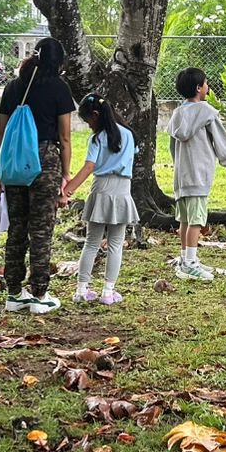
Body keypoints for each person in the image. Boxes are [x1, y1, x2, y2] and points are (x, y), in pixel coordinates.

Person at [0, 38, 76, 314]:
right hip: (44, 160)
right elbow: (64, 137)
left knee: (17, 227)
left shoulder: (13, 87)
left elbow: (3, 134)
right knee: (41, 229)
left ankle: (14, 293)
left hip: (14, 162)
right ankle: (40, 294)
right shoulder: (59, 89)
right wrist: (65, 174)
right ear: (59, 62)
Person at [168, 68, 226, 281]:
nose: (208, 87)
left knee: (185, 219)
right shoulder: (207, 113)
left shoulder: (176, 114)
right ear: (199, 88)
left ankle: (185, 259)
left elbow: (173, 148)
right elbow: (223, 146)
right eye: (206, 83)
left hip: (182, 177)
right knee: (196, 221)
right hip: (199, 176)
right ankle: (190, 263)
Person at [61, 94, 137, 304]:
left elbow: (89, 167)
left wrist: (68, 190)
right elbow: (132, 155)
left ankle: (81, 290)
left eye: (88, 121)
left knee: (91, 242)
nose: (88, 126)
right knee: (115, 244)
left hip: (100, 189)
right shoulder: (129, 135)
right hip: (122, 191)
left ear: (95, 115)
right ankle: (108, 292)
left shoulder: (96, 139)